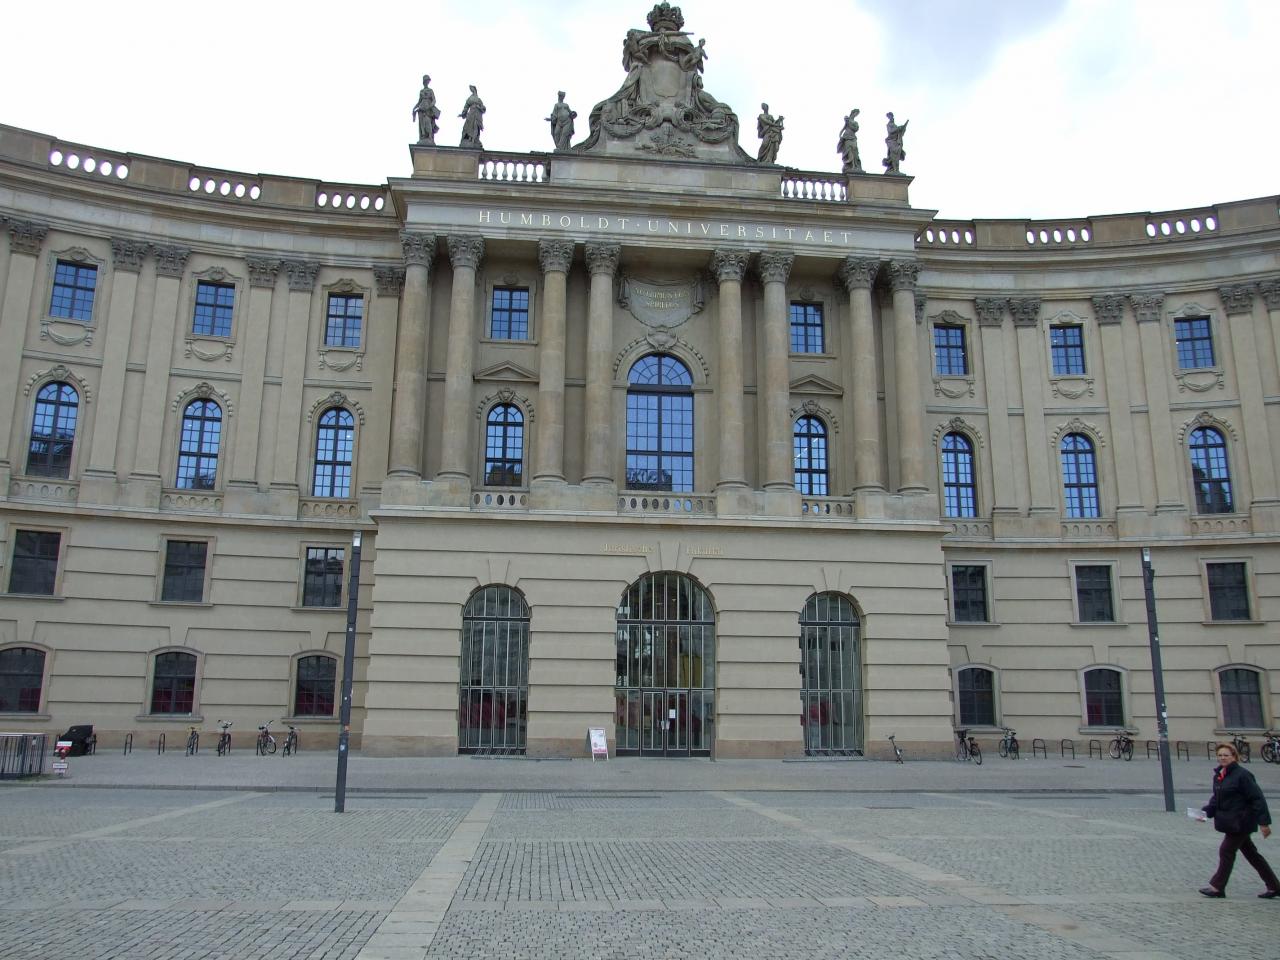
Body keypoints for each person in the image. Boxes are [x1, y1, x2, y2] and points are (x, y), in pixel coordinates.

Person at [1199, 742, 1279, 898]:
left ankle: (1217, 887)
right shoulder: (1220, 775)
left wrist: (1264, 823)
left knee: (1226, 850)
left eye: (1226, 755)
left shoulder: (1243, 775)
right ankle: (1274, 886)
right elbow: (1217, 798)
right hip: (1231, 822)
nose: (1222, 758)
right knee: (1252, 855)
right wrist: (1206, 811)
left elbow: (1257, 799)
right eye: (1220, 755)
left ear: (1234, 757)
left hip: (1241, 821)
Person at [412, 75, 440, 145]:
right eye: (425, 81)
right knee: (422, 124)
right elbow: (419, 101)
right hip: (421, 109)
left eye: (427, 81)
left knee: (428, 122)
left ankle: (430, 137)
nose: (426, 82)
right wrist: (414, 108)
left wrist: (430, 106)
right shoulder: (421, 91)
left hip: (428, 109)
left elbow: (434, 100)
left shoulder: (430, 91)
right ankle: (423, 136)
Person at [838, 108, 862, 173]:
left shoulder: (854, 122)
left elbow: (855, 129)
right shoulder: (848, 120)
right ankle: (851, 166)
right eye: (855, 113)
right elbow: (843, 128)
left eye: (857, 114)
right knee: (849, 150)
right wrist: (840, 136)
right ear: (852, 113)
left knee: (854, 150)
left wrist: (849, 122)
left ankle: (855, 166)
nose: (856, 115)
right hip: (846, 137)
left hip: (853, 137)